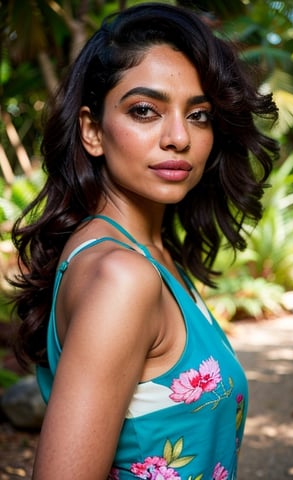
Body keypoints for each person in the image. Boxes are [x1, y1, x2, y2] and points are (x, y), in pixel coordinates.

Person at [10, 3, 279, 479]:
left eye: (199, 115)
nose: (179, 137)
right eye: (144, 111)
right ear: (92, 131)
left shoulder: (144, 255)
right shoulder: (122, 275)